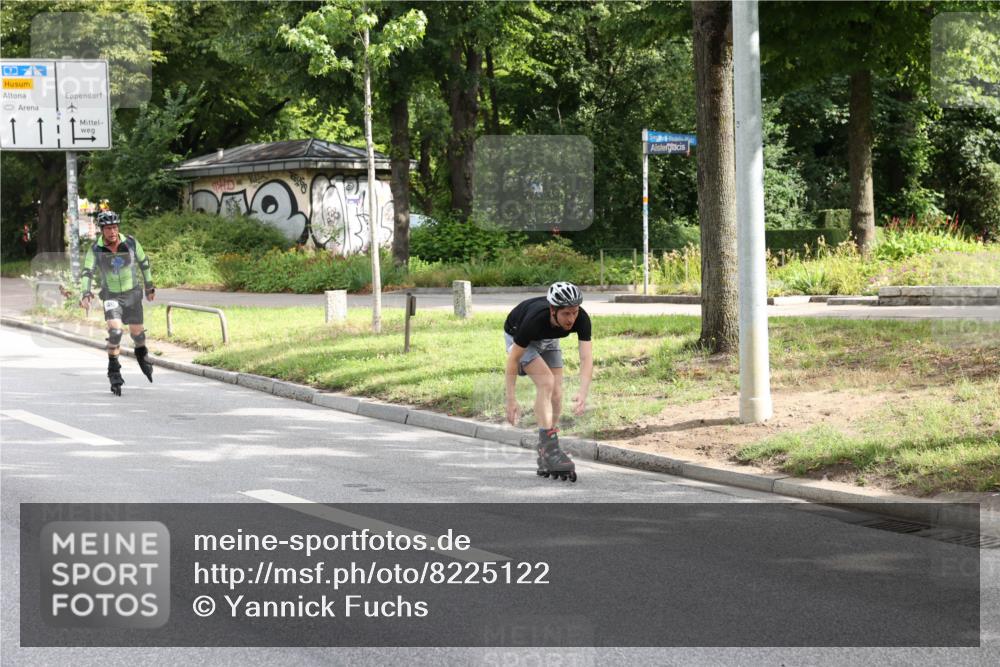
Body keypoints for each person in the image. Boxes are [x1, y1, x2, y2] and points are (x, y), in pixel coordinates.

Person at [503, 282, 593, 481]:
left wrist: (583, 392)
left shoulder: (582, 318)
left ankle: (547, 449)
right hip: (518, 336)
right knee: (546, 382)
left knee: (557, 392)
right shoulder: (533, 320)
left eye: (574, 312)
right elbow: (513, 360)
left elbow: (586, 357)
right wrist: (511, 399)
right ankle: (550, 449)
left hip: (549, 338)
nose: (571, 319)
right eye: (566, 314)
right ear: (553, 310)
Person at [79, 210, 156, 395]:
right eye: (108, 229)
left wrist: (149, 286)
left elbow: (144, 262)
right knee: (115, 332)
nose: (112, 231)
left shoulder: (130, 242)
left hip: (133, 293)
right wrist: (85, 293)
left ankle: (142, 356)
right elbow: (87, 272)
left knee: (138, 335)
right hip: (111, 295)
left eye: (114, 227)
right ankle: (114, 372)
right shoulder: (96, 249)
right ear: (102, 230)